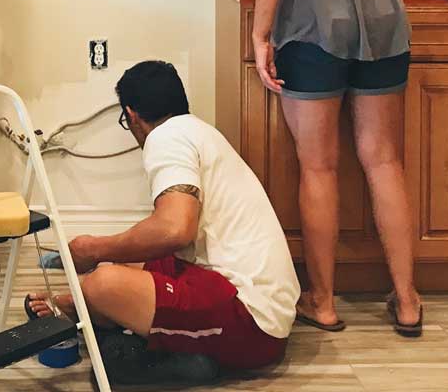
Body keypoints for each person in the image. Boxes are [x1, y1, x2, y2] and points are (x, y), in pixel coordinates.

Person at [235, 0, 423, 337]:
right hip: (384, 20)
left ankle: (323, 301)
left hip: (316, 28)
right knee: (383, 160)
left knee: (319, 166)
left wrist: (260, 32)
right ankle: (407, 300)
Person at [25, 60, 299, 386]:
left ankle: (186, 356)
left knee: (103, 282)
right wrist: (106, 251)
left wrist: (93, 249)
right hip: (249, 294)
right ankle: (78, 306)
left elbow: (174, 229)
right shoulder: (197, 130)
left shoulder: (166, 139)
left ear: (132, 114)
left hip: (253, 323)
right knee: (124, 262)